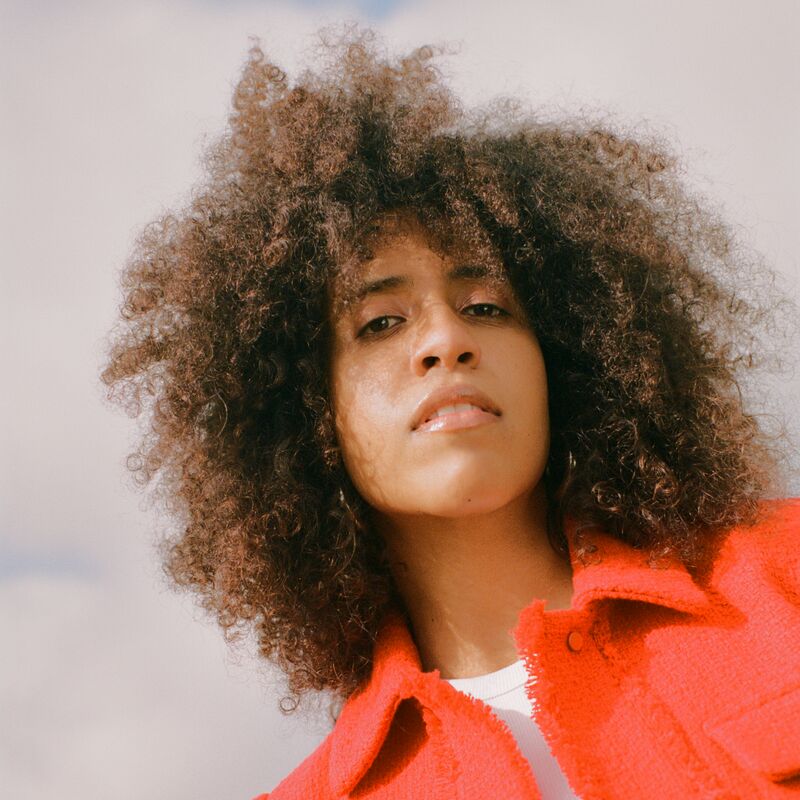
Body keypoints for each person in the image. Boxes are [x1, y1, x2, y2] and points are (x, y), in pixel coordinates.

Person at [101, 26, 800, 799]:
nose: (445, 339)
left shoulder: (782, 575)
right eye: (379, 323)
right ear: (302, 416)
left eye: (487, 307)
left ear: (567, 359)